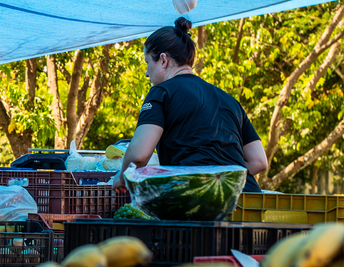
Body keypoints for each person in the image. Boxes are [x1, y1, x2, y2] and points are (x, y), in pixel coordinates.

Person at [111, 17, 267, 193]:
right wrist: (222, 181)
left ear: (163, 60)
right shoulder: (229, 100)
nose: (147, 73)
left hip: (197, 200)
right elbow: (259, 161)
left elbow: (139, 155)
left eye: (148, 63)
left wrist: (120, 177)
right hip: (248, 201)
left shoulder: (161, 93)